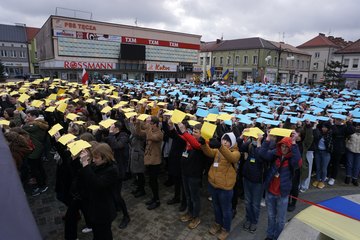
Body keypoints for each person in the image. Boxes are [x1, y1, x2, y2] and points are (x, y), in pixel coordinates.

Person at [259, 132, 301, 240]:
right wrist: (267, 139)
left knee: (281, 220)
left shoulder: (292, 159)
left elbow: (297, 161)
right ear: (279, 145)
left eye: (287, 147)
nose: (284, 148)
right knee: (271, 216)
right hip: (270, 192)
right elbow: (262, 153)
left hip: (282, 194)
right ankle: (270, 235)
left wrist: (294, 143)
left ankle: (278, 237)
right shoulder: (275, 154)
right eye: (282, 146)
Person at [200, 132, 240, 240]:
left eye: (228, 141)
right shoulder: (218, 150)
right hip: (214, 184)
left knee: (226, 209)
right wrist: (204, 144)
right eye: (224, 140)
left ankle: (225, 229)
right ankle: (218, 223)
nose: (225, 142)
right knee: (216, 206)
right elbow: (209, 152)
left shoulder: (235, 152)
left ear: (232, 142)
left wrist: (220, 146)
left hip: (225, 188)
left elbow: (231, 157)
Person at [78, 143, 119, 240]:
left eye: (96, 158)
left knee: (104, 235)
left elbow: (96, 184)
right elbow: (84, 176)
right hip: (96, 207)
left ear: (105, 158)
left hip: (104, 210)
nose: (93, 160)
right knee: (97, 233)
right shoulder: (99, 165)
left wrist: (85, 164)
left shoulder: (112, 170)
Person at [176, 122, 207, 230]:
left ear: (202, 134)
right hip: (185, 172)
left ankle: (196, 217)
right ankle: (190, 213)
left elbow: (195, 144)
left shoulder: (202, 144)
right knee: (188, 195)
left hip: (194, 175)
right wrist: (172, 127)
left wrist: (184, 131)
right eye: (193, 131)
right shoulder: (190, 140)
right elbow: (181, 136)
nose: (193, 133)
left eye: (196, 132)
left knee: (195, 197)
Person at [237, 130, 264, 234]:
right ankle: (248, 219)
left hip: (257, 180)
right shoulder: (249, 144)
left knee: (255, 204)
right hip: (247, 177)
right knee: (248, 202)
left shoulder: (263, 146)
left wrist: (259, 144)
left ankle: (254, 221)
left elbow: (260, 157)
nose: (254, 139)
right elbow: (240, 147)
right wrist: (242, 136)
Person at [106, 121, 131, 229]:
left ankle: (126, 216)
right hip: (112, 168)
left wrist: (111, 134)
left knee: (117, 194)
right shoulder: (113, 135)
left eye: (112, 127)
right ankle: (116, 207)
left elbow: (117, 145)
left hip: (119, 170)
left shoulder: (124, 136)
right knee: (112, 192)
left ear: (116, 128)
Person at [136, 116, 163, 210]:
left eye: (151, 124)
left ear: (155, 124)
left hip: (155, 161)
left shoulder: (159, 133)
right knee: (151, 181)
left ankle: (157, 200)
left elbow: (151, 137)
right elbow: (139, 133)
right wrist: (138, 123)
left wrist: (148, 127)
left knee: (154, 182)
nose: (149, 125)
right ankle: (154, 198)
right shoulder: (150, 130)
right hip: (149, 159)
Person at [22, 109, 49, 196]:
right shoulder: (39, 123)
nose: (27, 118)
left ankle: (41, 186)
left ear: (34, 117)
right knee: (39, 166)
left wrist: (25, 123)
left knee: (35, 168)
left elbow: (23, 128)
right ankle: (43, 180)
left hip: (34, 149)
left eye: (29, 116)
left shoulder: (34, 125)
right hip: (37, 148)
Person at [313, 122, 333, 189]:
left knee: (324, 168)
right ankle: (318, 179)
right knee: (318, 167)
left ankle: (323, 181)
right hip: (318, 151)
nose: (323, 128)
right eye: (322, 127)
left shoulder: (330, 134)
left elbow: (330, 144)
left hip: (326, 153)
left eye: (325, 127)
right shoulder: (320, 133)